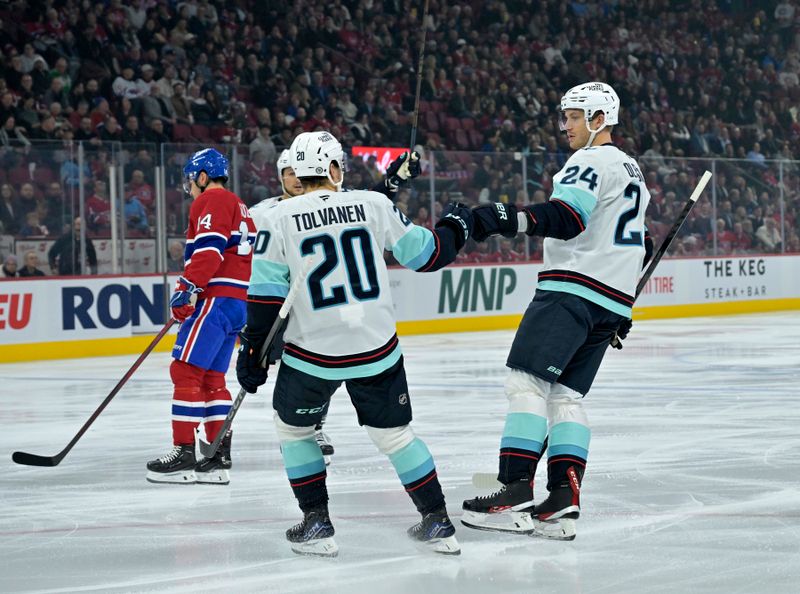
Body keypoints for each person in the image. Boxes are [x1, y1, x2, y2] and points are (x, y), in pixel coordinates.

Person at [237, 131, 473, 557]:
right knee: (397, 436)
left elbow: (265, 297)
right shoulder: (373, 203)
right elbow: (428, 255)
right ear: (332, 169)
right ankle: (437, 519)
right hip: (376, 347)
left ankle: (317, 524)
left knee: (295, 430)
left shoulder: (274, 218)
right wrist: (455, 226)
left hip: (313, 353)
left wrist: (253, 352)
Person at [460, 82, 653, 541]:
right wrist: (621, 304)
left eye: (572, 116)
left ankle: (513, 490)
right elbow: (640, 245)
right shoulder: (634, 170)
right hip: (607, 303)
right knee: (566, 398)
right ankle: (563, 501)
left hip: (571, 292)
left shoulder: (588, 160)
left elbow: (569, 218)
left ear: (599, 120)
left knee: (524, 382)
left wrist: (502, 218)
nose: (563, 124)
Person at [251, 147, 424, 463]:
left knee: (319, 362)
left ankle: (313, 426)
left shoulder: (330, 203)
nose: (296, 180)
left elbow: (368, 207)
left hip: (320, 307)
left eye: (297, 172)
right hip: (284, 304)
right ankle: (303, 422)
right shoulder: (266, 213)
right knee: (299, 365)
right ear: (281, 178)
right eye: (288, 174)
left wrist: (393, 180)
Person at [146, 148, 256, 486]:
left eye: (192, 181)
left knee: (185, 370)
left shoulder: (211, 201)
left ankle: (184, 453)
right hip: (237, 302)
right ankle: (216, 457)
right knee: (211, 379)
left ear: (203, 176)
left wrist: (188, 287)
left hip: (214, 299)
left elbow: (208, 251)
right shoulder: (241, 207)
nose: (190, 188)